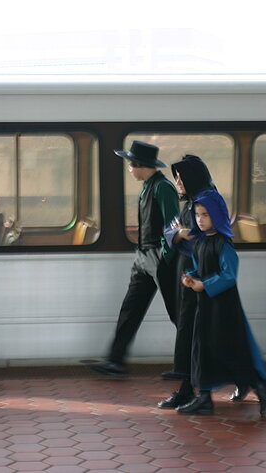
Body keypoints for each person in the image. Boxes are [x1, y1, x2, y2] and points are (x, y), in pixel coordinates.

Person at [176, 189, 266, 416]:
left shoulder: (224, 245)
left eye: (205, 215)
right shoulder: (199, 242)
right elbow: (196, 266)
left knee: (232, 348)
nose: (200, 220)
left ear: (217, 217)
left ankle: (260, 387)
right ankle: (204, 397)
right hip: (206, 306)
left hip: (224, 308)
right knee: (203, 348)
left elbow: (229, 275)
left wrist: (204, 285)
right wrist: (190, 277)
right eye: (198, 215)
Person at [87, 140, 179, 377]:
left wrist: (165, 256)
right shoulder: (148, 187)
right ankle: (115, 360)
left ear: (141, 165)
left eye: (130, 163)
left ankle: (194, 364)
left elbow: (172, 226)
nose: (129, 168)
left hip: (159, 259)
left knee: (179, 313)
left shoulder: (163, 188)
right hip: (143, 259)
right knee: (131, 309)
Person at [157, 155, 214, 402]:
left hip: (197, 275)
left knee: (195, 332)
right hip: (187, 275)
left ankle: (193, 390)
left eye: (180, 176)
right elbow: (170, 231)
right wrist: (178, 234)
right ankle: (190, 387)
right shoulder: (191, 202)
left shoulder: (204, 203)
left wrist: (179, 235)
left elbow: (201, 238)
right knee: (189, 330)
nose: (177, 182)